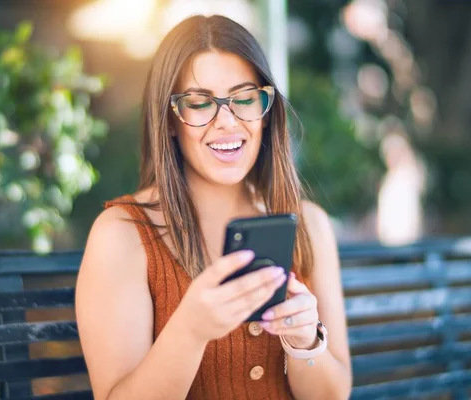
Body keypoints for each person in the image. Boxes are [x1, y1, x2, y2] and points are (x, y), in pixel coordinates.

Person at [76, 15, 351, 400]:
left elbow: (333, 395)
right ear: (170, 120)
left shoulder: (310, 225)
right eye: (200, 103)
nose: (227, 122)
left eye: (243, 99)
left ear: (266, 108)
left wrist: (305, 342)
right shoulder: (121, 234)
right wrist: (190, 329)